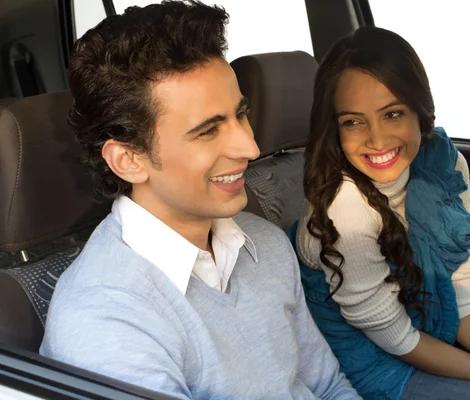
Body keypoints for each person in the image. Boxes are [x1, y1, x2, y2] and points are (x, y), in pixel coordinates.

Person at [39, 2, 360, 399]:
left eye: (240, 115)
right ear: (129, 160)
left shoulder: (265, 243)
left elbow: (327, 386)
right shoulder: (105, 323)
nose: (251, 147)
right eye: (208, 132)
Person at [292, 25, 470, 399]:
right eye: (353, 121)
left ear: (420, 109)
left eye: (393, 114)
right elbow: (397, 339)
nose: (376, 140)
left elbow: (458, 298)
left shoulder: (444, 166)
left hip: (432, 312)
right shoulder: (346, 210)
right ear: (335, 127)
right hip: (377, 362)